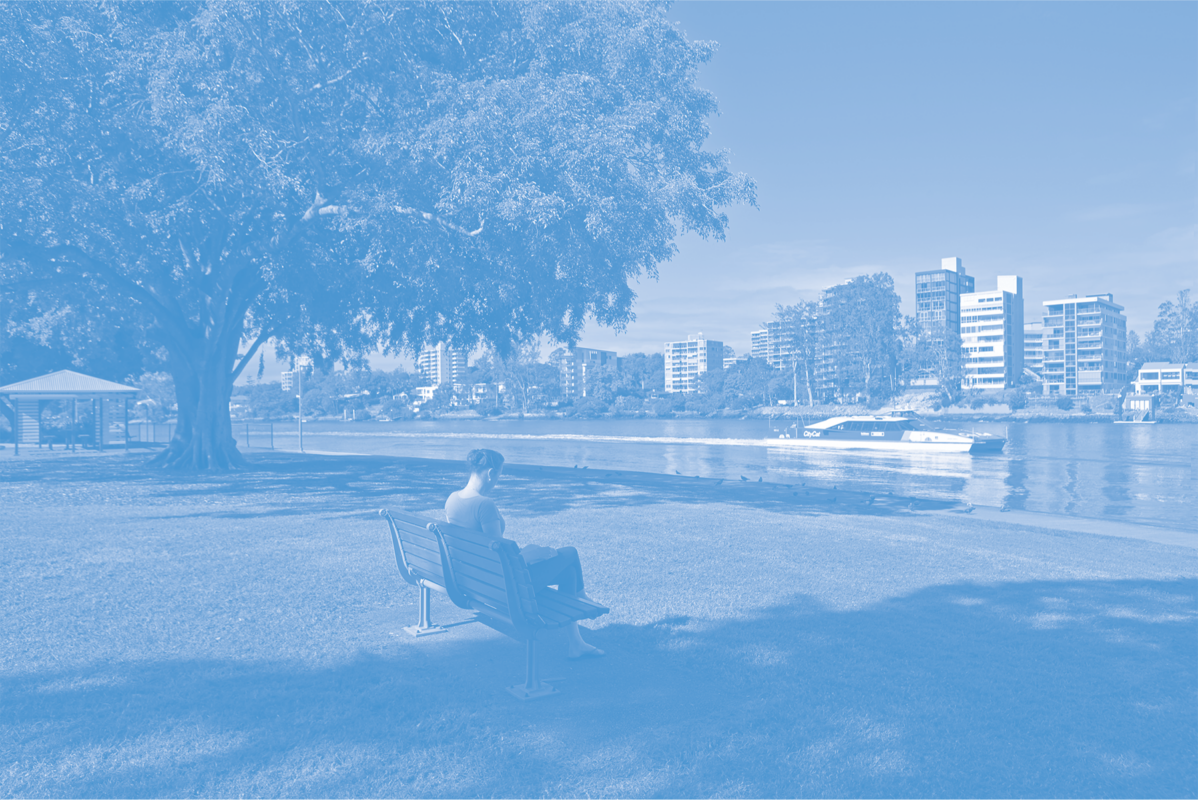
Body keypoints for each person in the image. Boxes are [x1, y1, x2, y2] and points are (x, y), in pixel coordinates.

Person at [445, 448, 604, 659]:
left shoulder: (452, 499)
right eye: (499, 476)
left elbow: (486, 550)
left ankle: (576, 643)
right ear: (491, 473)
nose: (497, 482)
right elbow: (500, 558)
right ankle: (581, 598)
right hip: (504, 588)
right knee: (570, 553)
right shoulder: (484, 505)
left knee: (568, 574)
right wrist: (529, 556)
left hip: (477, 582)